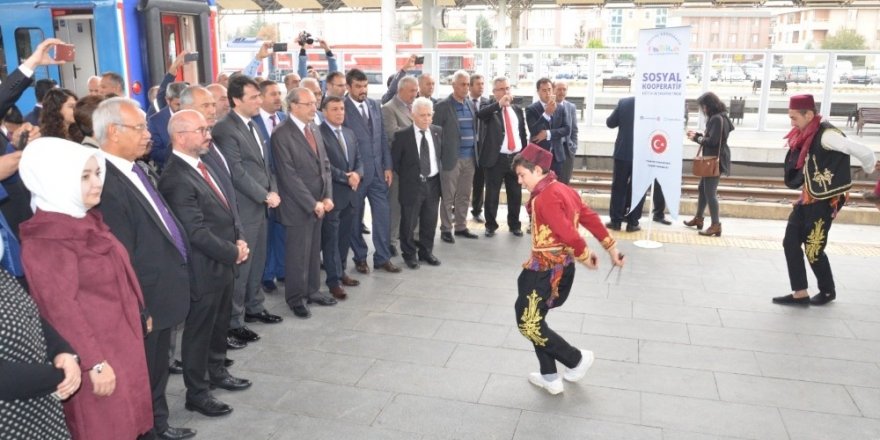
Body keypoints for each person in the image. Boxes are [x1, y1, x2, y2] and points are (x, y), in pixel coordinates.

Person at [19, 137, 153, 439]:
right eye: (84, 176)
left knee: (127, 424)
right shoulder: (47, 239)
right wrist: (94, 362)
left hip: (121, 342)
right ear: (55, 179)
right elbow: (60, 310)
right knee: (104, 428)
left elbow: (120, 272)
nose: (96, 183)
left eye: (97, 174)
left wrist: (139, 309)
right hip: (97, 353)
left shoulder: (83, 219)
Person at [94, 97, 195, 440]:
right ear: (112, 132)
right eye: (138, 128)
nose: (147, 134)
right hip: (146, 297)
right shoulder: (106, 181)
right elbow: (121, 253)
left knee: (157, 370)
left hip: (162, 289)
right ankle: (149, 429)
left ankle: (158, 422)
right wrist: (139, 306)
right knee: (146, 371)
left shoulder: (135, 167)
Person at [159, 110, 253, 417]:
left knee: (218, 325)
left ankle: (217, 372)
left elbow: (226, 209)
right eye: (201, 130)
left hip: (222, 262)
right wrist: (232, 251)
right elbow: (195, 232)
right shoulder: (175, 177)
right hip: (203, 269)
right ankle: (197, 394)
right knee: (199, 333)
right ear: (180, 136)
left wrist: (237, 239)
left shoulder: (202, 165)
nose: (208, 134)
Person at [511, 143, 623, 395]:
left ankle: (576, 359)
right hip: (562, 271)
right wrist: (611, 248)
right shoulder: (563, 189)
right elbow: (590, 217)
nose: (520, 181)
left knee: (527, 323)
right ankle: (550, 376)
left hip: (543, 274)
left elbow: (566, 232)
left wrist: (585, 254)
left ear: (537, 170)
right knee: (536, 321)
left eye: (522, 175)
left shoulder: (545, 197)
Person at [772, 94, 876, 306]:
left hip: (825, 200)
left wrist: (869, 168)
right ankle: (800, 293)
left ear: (809, 114)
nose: (792, 123)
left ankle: (828, 291)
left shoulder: (827, 136)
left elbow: (864, 151)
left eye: (794, 118)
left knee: (813, 248)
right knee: (790, 242)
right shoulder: (805, 133)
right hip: (807, 198)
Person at [212, 75, 282, 347]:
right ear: (236, 100)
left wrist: (272, 190)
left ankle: (255, 306)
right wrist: (264, 195)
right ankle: (235, 322)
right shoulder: (225, 129)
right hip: (245, 207)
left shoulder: (254, 125)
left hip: (262, 205)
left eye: (258, 96)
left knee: (258, 260)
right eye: (253, 97)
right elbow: (237, 172)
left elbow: (266, 165)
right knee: (242, 266)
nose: (259, 101)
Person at [0, 236, 80, 440]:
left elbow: (31, 316)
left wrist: (64, 351)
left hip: (41, 415)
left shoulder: (4, 276)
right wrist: (60, 375)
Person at [272, 88, 335, 318]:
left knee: (312, 251)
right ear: (293, 106)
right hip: (297, 205)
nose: (314, 107)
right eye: (308, 104)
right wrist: (311, 203)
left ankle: (312, 290)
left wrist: (327, 196)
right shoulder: (282, 134)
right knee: (297, 254)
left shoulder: (314, 128)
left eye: (314, 103)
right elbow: (289, 177)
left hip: (319, 202)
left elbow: (325, 164)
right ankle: (296, 298)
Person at [342, 68, 399, 274]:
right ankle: (359, 257)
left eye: (365, 86)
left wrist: (388, 166)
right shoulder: (342, 108)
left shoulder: (374, 105)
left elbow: (382, 137)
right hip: (356, 175)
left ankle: (382, 257)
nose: (362, 90)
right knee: (355, 218)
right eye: (358, 86)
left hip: (378, 173)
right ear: (348, 87)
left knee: (383, 215)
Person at [605, 97, 670, 232]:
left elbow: (610, 123)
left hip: (623, 153)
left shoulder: (624, 102)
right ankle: (632, 222)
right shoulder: (656, 106)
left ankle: (616, 221)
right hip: (644, 156)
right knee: (639, 189)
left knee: (618, 187)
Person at [392, 97, 442, 270]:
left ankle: (426, 252)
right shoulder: (402, 136)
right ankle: (409, 254)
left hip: (434, 183)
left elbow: (439, 156)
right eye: (422, 115)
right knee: (409, 222)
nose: (426, 119)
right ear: (413, 115)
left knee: (430, 221)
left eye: (429, 115)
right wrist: (411, 177)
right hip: (413, 185)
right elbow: (396, 163)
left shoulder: (437, 132)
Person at [320, 96, 362, 298]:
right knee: (331, 240)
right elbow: (325, 164)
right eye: (334, 109)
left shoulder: (349, 132)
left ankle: (342, 271)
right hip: (333, 195)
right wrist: (346, 177)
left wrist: (357, 174)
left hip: (351, 196)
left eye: (342, 109)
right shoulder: (319, 134)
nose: (339, 112)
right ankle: (333, 281)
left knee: (344, 238)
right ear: (324, 112)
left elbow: (359, 160)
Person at [476, 76, 527, 238]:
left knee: (515, 193)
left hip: (515, 158)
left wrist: (524, 155)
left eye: (507, 88)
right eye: (502, 89)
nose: (506, 92)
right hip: (495, 158)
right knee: (492, 193)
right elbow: (480, 114)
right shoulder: (490, 108)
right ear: (494, 92)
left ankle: (514, 225)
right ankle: (491, 225)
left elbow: (521, 134)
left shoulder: (517, 110)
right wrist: (499, 104)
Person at [433, 70, 479, 243]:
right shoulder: (443, 106)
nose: (466, 88)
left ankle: (460, 226)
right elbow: (435, 134)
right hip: (451, 159)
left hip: (470, 158)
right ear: (453, 85)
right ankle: (446, 228)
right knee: (448, 196)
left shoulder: (469, 104)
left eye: (468, 84)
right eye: (462, 84)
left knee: (464, 195)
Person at [684, 92, 733, 237]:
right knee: (702, 188)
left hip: (714, 160)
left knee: (710, 193)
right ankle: (699, 218)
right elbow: (713, 138)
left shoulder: (717, 119)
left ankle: (716, 225)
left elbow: (713, 141)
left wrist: (696, 139)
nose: (703, 109)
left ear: (709, 105)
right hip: (714, 158)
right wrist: (698, 136)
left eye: (704, 106)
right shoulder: (720, 117)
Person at [382, 75, 419, 258]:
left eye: (416, 90)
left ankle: (410, 238)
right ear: (401, 90)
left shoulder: (417, 107)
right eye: (412, 90)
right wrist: (417, 132)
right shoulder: (389, 109)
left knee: (412, 205)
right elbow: (393, 136)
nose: (415, 93)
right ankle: (390, 241)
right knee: (395, 206)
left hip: (414, 168)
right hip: (397, 167)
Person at [526, 78, 571, 179]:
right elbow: (533, 130)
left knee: (556, 187)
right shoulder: (531, 109)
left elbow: (567, 129)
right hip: (539, 157)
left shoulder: (560, 107)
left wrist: (548, 134)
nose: (547, 93)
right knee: (539, 187)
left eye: (549, 89)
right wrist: (546, 114)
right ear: (538, 92)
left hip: (557, 156)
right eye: (544, 90)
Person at [148, 81, 189, 172]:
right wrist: (179, 149)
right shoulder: (155, 121)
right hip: (171, 171)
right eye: (177, 104)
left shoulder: (195, 114)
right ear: (167, 100)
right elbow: (154, 153)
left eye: (184, 104)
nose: (181, 108)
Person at [468, 74, 490, 223]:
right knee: (461, 181)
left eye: (482, 84)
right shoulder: (464, 102)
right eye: (478, 84)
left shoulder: (489, 103)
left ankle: (477, 210)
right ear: (470, 86)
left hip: (482, 148)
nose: (481, 86)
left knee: (479, 180)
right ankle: (456, 211)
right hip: (467, 147)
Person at [553, 81, 579, 184]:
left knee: (564, 183)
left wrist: (574, 147)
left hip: (567, 150)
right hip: (552, 150)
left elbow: (574, 129)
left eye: (564, 89)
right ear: (553, 90)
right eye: (559, 89)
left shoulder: (571, 107)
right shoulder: (547, 106)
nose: (562, 92)